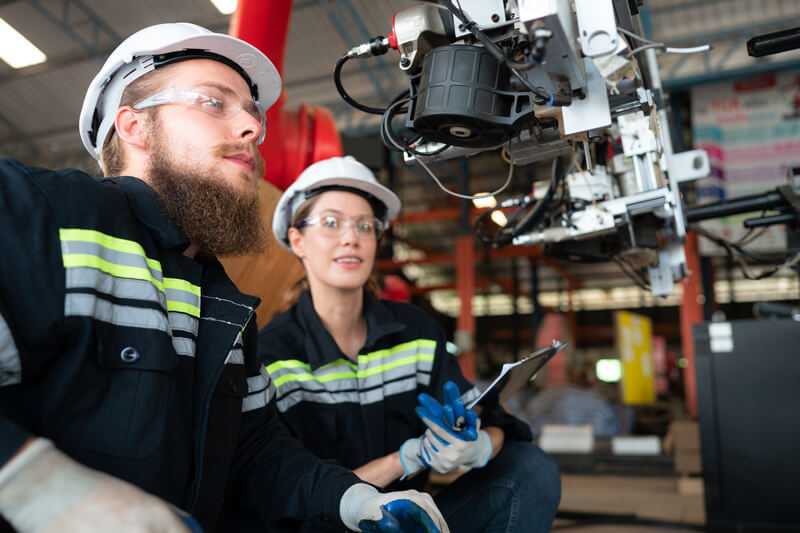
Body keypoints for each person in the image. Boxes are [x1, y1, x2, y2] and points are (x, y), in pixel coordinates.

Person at [0, 23, 450, 533]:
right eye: (214, 103)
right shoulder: (38, 213)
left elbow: (253, 448)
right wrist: (37, 487)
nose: (254, 129)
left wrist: (353, 499)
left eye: (252, 113)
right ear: (133, 126)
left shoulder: (221, 300)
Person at [259, 156, 562, 533]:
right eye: (332, 223)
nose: (350, 237)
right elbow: (284, 488)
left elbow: (492, 420)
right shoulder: (271, 355)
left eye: (365, 226)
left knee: (530, 468)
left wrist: (478, 443)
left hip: (414, 524)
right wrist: (408, 458)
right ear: (297, 239)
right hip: (327, 525)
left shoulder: (415, 332)